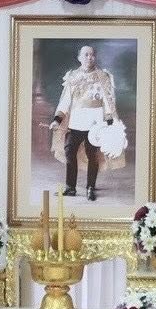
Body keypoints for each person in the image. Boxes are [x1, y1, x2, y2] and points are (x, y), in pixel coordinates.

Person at [48, 45, 120, 202]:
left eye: (92, 54)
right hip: (75, 122)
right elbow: (65, 101)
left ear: (95, 57)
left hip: (95, 125)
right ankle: (71, 187)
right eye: (86, 54)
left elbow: (108, 100)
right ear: (79, 57)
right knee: (69, 152)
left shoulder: (102, 76)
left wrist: (109, 122)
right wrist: (57, 120)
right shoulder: (73, 77)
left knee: (92, 155)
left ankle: (90, 187)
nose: (89, 57)